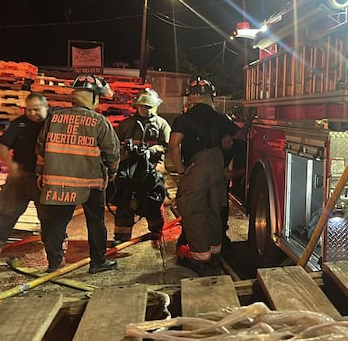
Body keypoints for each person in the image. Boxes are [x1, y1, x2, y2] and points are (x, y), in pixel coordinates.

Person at [36, 74, 120, 274]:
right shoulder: (99, 121)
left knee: (57, 221)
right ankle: (98, 262)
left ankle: (55, 263)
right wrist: (113, 172)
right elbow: (112, 152)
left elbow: (40, 148)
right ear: (92, 97)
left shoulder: (54, 118)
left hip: (57, 182)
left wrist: (40, 173)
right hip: (89, 183)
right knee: (95, 222)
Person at [168, 77, 240, 276]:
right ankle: (215, 254)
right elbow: (236, 138)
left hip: (196, 165)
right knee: (214, 210)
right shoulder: (222, 118)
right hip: (217, 166)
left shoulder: (184, 119)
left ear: (191, 96)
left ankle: (200, 260)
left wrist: (182, 170)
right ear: (211, 96)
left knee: (193, 210)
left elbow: (174, 145)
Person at [0, 93, 50, 269]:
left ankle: (55, 256)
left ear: (46, 106)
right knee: (4, 214)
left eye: (36, 110)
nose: (32, 114)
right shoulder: (19, 124)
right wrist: (10, 164)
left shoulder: (55, 123)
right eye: (28, 110)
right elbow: (2, 146)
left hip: (46, 180)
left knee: (51, 218)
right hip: (20, 177)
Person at [111, 88, 171, 245]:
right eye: (142, 106)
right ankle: (122, 235)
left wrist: (152, 151)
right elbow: (114, 144)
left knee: (153, 198)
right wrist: (126, 150)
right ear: (136, 106)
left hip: (152, 167)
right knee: (124, 198)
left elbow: (167, 145)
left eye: (149, 107)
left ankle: (156, 228)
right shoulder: (126, 125)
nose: (145, 109)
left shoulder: (161, 124)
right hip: (130, 167)